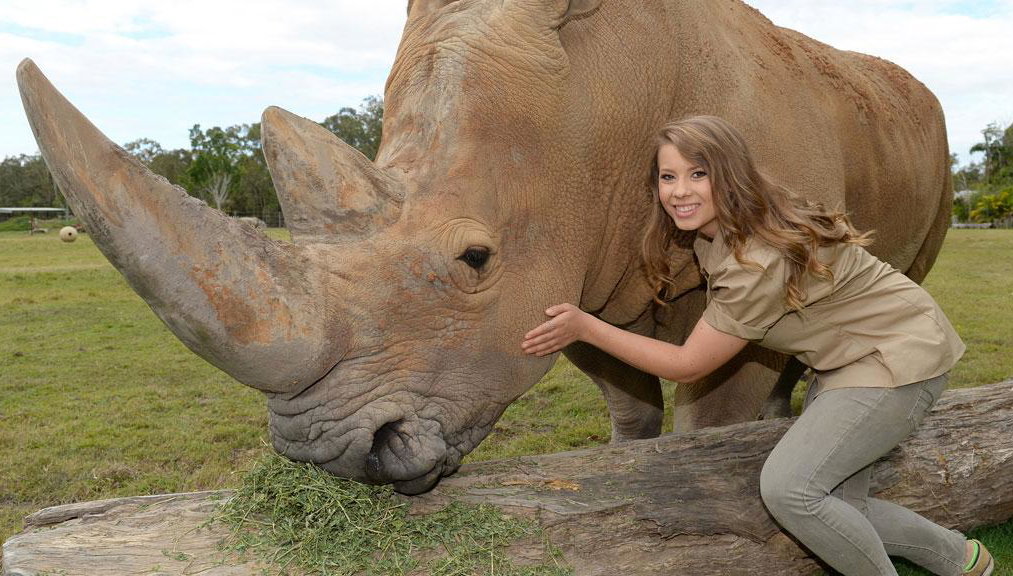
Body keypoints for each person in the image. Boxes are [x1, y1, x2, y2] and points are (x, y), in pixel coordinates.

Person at [520, 115, 994, 576]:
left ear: (729, 174)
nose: (679, 190)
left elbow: (687, 366)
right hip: (850, 359)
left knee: (791, 490)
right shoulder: (722, 228)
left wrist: (587, 328)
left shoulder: (756, 260)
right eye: (668, 176)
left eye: (697, 174)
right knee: (844, 508)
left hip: (897, 359)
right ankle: (965, 560)